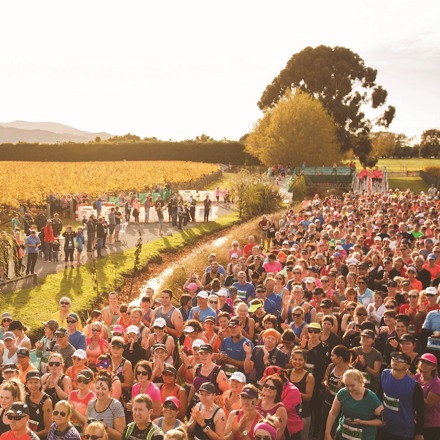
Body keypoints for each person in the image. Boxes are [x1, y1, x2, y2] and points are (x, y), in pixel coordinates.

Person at [324, 369, 384, 440]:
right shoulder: (343, 393)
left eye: (352, 385)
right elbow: (333, 413)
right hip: (342, 436)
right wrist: (327, 432)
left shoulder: (371, 397)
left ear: (361, 381)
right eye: (346, 385)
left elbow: (382, 421)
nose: (349, 388)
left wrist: (362, 422)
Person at [377, 351, 425, 440]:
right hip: (383, 427)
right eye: (394, 358)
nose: (396, 361)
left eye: (400, 360)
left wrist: (419, 432)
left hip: (403, 432)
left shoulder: (414, 386)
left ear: (407, 366)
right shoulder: (384, 374)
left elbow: (420, 411)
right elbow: (378, 397)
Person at [86, 373, 126, 440]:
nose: (100, 391)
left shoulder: (115, 405)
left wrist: (105, 427)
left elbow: (121, 436)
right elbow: (86, 429)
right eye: (97, 388)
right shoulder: (91, 404)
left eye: (104, 389)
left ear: (110, 390)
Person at [414, 353, 440, 440]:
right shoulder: (417, 376)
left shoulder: (437, 383)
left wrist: (417, 393)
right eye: (422, 361)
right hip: (417, 421)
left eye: (428, 363)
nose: (424, 364)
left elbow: (428, 404)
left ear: (433, 367)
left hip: (432, 424)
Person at [68, 370, 95, 436]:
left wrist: (74, 411)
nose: (82, 383)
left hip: (82, 433)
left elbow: (88, 421)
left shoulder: (93, 398)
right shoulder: (72, 393)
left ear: (90, 382)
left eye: (85, 381)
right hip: (69, 430)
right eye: (79, 379)